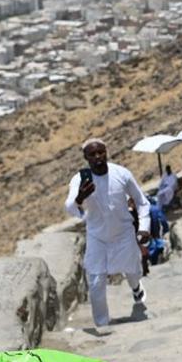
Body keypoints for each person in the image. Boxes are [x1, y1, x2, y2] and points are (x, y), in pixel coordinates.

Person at [65, 138, 151, 335]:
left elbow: (142, 202)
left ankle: (136, 287)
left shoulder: (121, 173)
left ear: (106, 152)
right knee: (95, 282)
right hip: (97, 237)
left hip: (123, 233)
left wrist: (144, 228)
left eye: (100, 152)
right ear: (85, 158)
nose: (97, 157)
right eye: (92, 155)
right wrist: (79, 198)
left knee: (132, 270)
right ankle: (102, 325)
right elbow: (69, 207)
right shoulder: (79, 180)